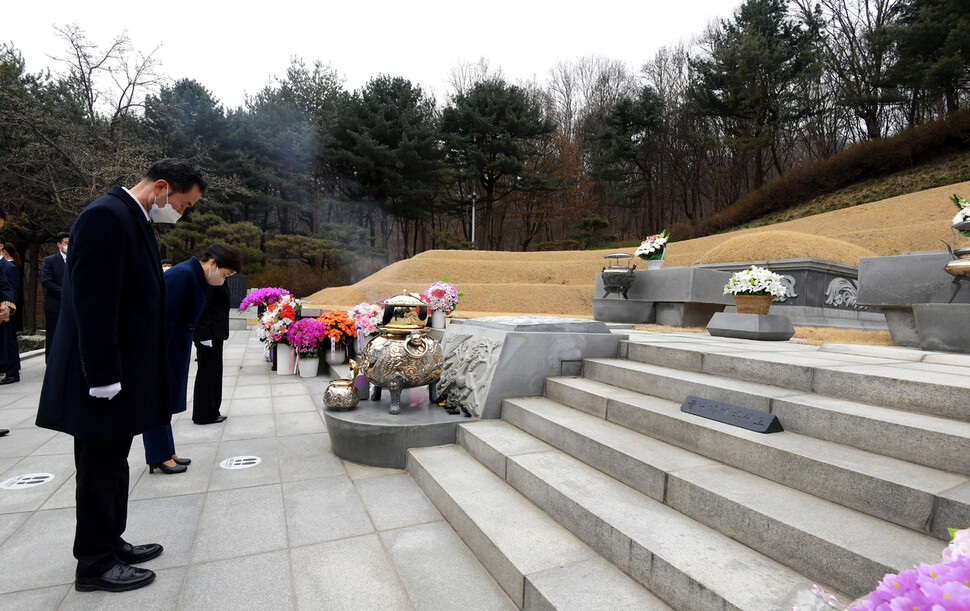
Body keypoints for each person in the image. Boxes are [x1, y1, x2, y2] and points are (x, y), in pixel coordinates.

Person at [36, 159, 205, 593]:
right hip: (101, 380)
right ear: (162, 187)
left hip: (122, 376)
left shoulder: (131, 217)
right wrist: (104, 375)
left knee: (114, 467)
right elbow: (95, 303)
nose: (180, 214)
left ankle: (111, 542)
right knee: (97, 470)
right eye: (183, 205)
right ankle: (93, 564)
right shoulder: (104, 217)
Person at [144, 244, 241, 473]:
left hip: (177, 343)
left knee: (165, 400)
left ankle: (168, 450)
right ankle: (158, 455)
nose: (223, 279)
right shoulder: (184, 274)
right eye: (225, 274)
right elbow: (164, 317)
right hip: (164, 346)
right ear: (214, 264)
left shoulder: (195, 275)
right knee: (157, 400)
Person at [192, 247, 241, 425]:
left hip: (215, 333)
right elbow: (204, 307)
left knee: (214, 372)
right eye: (227, 273)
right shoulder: (209, 277)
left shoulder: (217, 277)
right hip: (208, 333)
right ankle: (204, 413)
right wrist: (204, 335)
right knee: (207, 373)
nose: (226, 277)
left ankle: (212, 409)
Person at [41, 232, 69, 362]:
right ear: (59, 244)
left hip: (72, 305)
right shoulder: (49, 261)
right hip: (55, 305)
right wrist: (64, 293)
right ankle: (51, 363)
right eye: (66, 243)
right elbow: (46, 281)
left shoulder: (75, 259)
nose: (69, 246)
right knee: (53, 336)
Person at [0, 242, 24, 384]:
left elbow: (10, 290)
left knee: (8, 341)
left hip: (6, 310)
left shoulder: (9, 267)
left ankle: (12, 372)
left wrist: (8, 307)